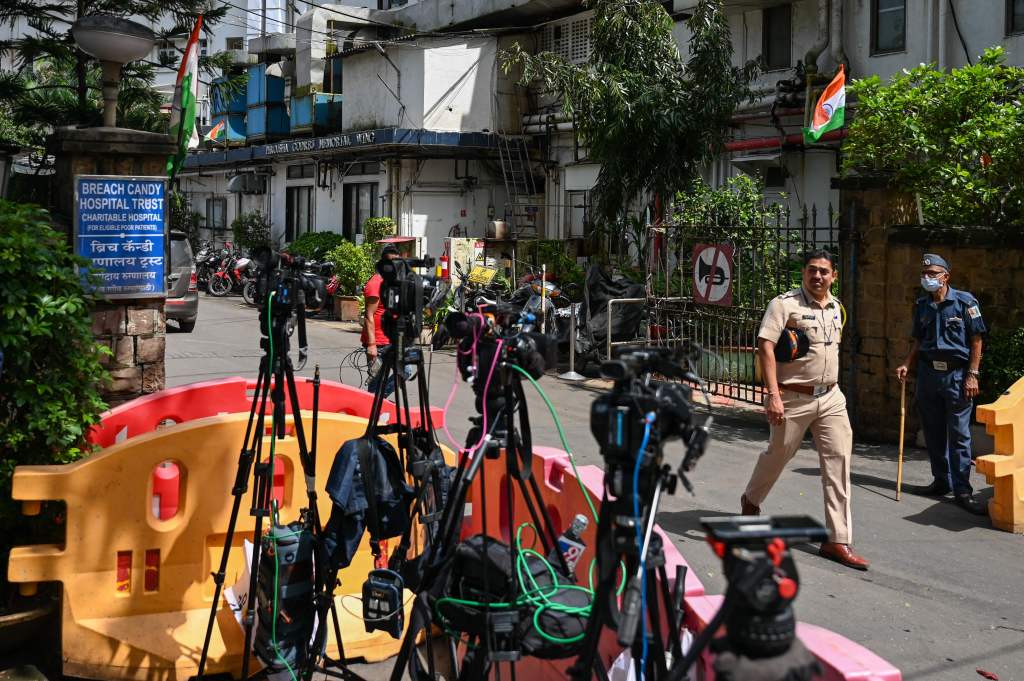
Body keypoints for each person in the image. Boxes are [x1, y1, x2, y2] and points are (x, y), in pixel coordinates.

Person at [740, 250, 869, 570]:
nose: (818, 276)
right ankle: (751, 501)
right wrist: (773, 394)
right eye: (812, 270)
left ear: (833, 275)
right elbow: (765, 346)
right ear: (804, 272)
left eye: (824, 271)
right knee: (778, 453)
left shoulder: (837, 307)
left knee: (839, 463)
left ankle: (837, 539)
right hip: (793, 398)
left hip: (831, 398)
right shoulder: (784, 304)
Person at [895, 254, 987, 515]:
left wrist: (973, 374)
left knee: (959, 434)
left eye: (933, 273)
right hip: (928, 375)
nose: (927, 278)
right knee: (933, 431)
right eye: (925, 273)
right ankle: (941, 481)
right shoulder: (923, 304)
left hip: (957, 376)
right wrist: (906, 363)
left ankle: (962, 490)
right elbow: (918, 340)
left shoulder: (964, 302)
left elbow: (977, 340)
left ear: (946, 276)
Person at [362, 243, 407, 397]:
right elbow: (369, 315)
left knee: (406, 370)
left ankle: (378, 400)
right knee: (376, 380)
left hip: (392, 340)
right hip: (378, 342)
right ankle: (371, 407)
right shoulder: (375, 283)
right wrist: (372, 345)